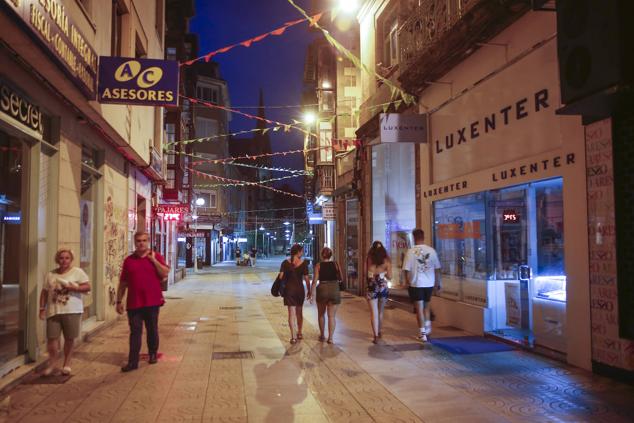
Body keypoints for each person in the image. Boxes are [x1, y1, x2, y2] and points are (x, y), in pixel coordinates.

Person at [117, 231, 170, 372]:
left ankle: (153, 353)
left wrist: (153, 260)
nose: (141, 243)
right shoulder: (129, 261)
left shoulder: (156, 256)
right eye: (139, 240)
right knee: (135, 332)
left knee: (152, 329)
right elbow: (123, 282)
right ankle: (133, 361)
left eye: (144, 240)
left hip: (152, 301)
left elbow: (164, 273)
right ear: (135, 242)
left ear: (148, 241)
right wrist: (118, 301)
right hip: (134, 303)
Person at [38, 248, 91, 376]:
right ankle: (52, 363)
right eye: (61, 258)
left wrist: (74, 287)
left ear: (71, 259)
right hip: (54, 311)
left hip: (72, 310)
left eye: (67, 258)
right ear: (57, 259)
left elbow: (88, 287)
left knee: (69, 338)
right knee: (52, 339)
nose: (64, 260)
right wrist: (41, 309)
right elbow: (44, 292)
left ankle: (66, 364)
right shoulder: (51, 274)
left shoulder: (78, 272)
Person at [403, 229, 441, 342]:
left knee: (419, 308)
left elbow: (406, 269)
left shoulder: (410, 252)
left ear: (414, 237)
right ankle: (428, 329)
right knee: (427, 306)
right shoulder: (432, 251)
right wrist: (438, 283)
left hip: (416, 284)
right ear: (423, 237)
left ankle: (422, 333)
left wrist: (406, 281)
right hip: (429, 284)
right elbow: (437, 268)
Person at [277, 244, 311, 344]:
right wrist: (309, 290)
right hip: (299, 290)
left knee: (291, 314)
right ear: (298, 252)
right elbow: (306, 279)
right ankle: (299, 332)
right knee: (299, 313)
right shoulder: (303, 263)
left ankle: (293, 337)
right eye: (302, 251)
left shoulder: (285, 263)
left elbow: (281, 276)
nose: (302, 253)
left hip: (289, 290)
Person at [312, 247, 342, 344]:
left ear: (321, 255)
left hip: (322, 289)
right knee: (331, 316)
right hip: (334, 288)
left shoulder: (318, 265)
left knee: (321, 314)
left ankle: (322, 335)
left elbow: (315, 281)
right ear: (331, 255)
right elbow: (341, 277)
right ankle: (331, 338)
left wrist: (312, 293)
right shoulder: (336, 264)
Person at [366, 241, 392, 344]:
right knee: (380, 311)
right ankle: (379, 331)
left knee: (374, 312)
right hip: (383, 287)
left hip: (372, 287)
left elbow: (368, 275)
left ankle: (375, 335)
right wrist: (384, 274)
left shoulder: (369, 260)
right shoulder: (387, 261)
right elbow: (390, 277)